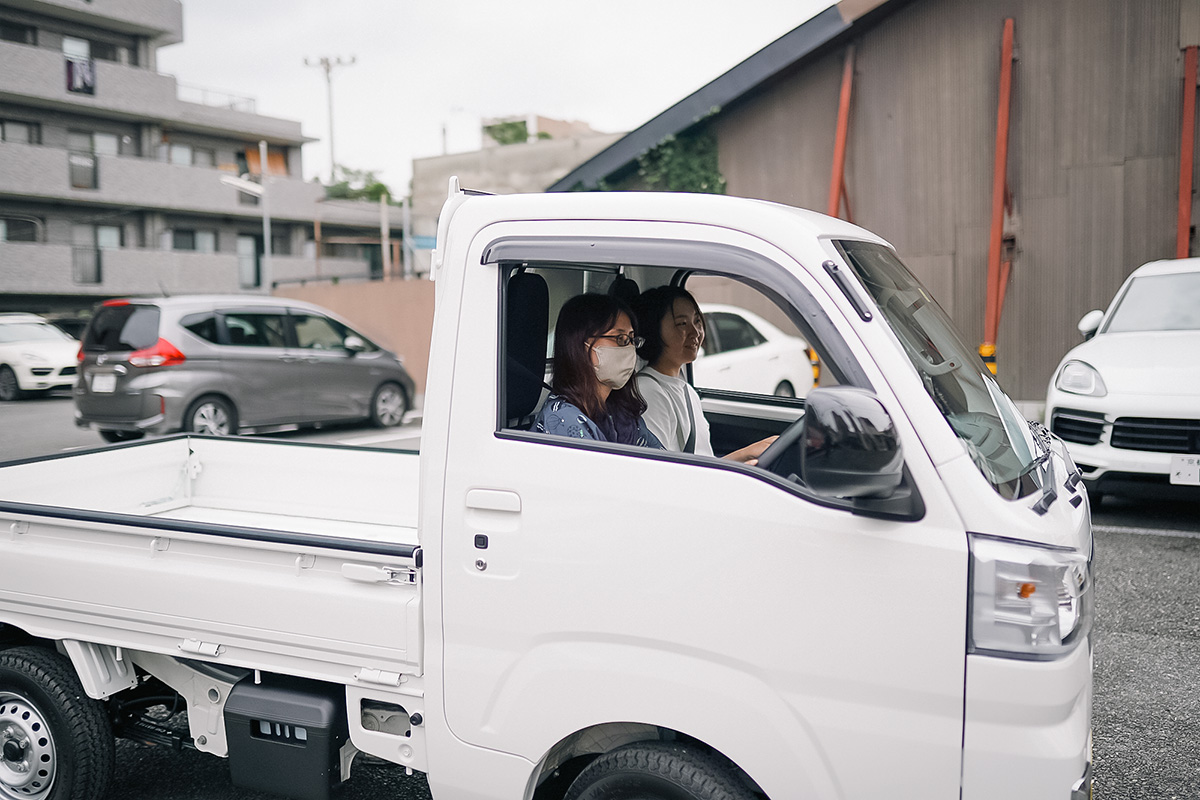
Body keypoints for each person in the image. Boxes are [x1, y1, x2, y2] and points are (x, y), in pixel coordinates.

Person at [633, 286, 775, 464]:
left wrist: (747, 454)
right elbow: (664, 470)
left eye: (697, 321)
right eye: (682, 324)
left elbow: (702, 461)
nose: (695, 332)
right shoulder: (648, 391)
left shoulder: (686, 390)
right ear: (653, 330)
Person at [534, 294, 663, 448]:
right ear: (580, 344)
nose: (629, 348)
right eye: (620, 338)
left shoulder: (618, 413)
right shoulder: (563, 419)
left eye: (632, 339)